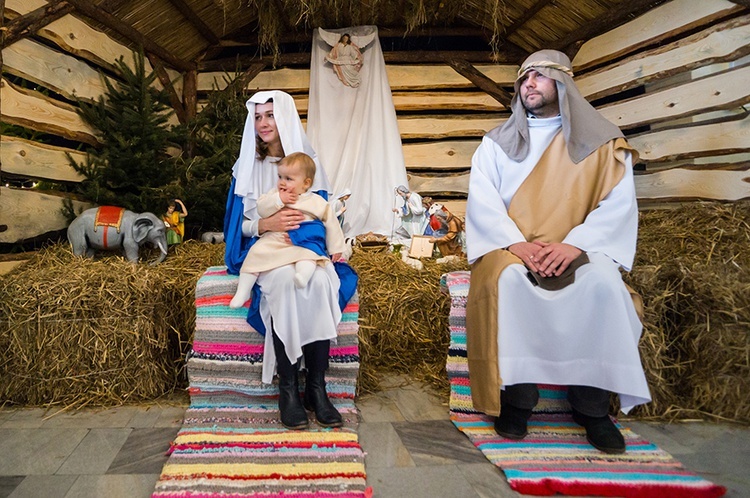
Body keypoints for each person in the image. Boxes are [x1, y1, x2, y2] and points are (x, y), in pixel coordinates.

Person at [465, 50, 650, 454]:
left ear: (563, 83)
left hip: (578, 245)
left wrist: (574, 244)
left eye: (539, 75)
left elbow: (618, 205)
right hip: (512, 246)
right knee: (510, 285)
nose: (528, 82)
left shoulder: (602, 143)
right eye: (524, 76)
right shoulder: (496, 144)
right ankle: (518, 400)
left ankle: (592, 408)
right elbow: (483, 203)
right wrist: (518, 244)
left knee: (603, 286)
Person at [224, 90, 357, 430]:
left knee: (320, 281)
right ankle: (289, 390)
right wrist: (265, 224)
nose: (263, 123)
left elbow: (326, 218)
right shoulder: (247, 167)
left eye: (270, 115)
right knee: (284, 283)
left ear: (284, 118)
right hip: (268, 250)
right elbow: (238, 226)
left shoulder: (308, 166)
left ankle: (316, 387)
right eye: (257, 116)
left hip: (307, 251)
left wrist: (329, 246)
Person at [229, 152, 346, 308]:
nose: (282, 183)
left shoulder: (316, 201)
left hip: (303, 242)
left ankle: (302, 276)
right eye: (280, 177)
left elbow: (331, 223)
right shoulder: (274, 195)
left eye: (289, 179)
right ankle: (243, 291)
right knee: (256, 253)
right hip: (276, 238)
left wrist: (336, 247)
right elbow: (262, 209)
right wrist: (278, 200)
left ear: (306, 183)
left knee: (310, 255)